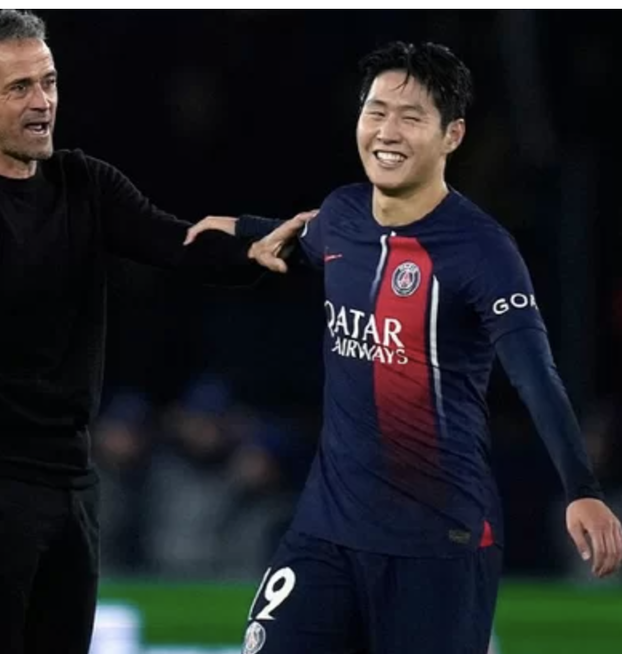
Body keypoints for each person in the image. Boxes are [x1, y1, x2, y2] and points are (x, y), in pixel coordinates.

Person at [0, 9, 305, 654]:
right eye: (19, 88)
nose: (42, 103)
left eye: (49, 81)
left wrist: (264, 242)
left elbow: (178, 245)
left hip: (77, 490)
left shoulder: (84, 184)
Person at [187, 41, 622, 654]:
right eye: (376, 112)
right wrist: (235, 230)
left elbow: (534, 375)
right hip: (326, 533)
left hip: (437, 544)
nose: (387, 132)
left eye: (411, 117)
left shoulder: (481, 250)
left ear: (452, 135)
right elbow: (300, 240)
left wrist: (582, 489)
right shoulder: (342, 214)